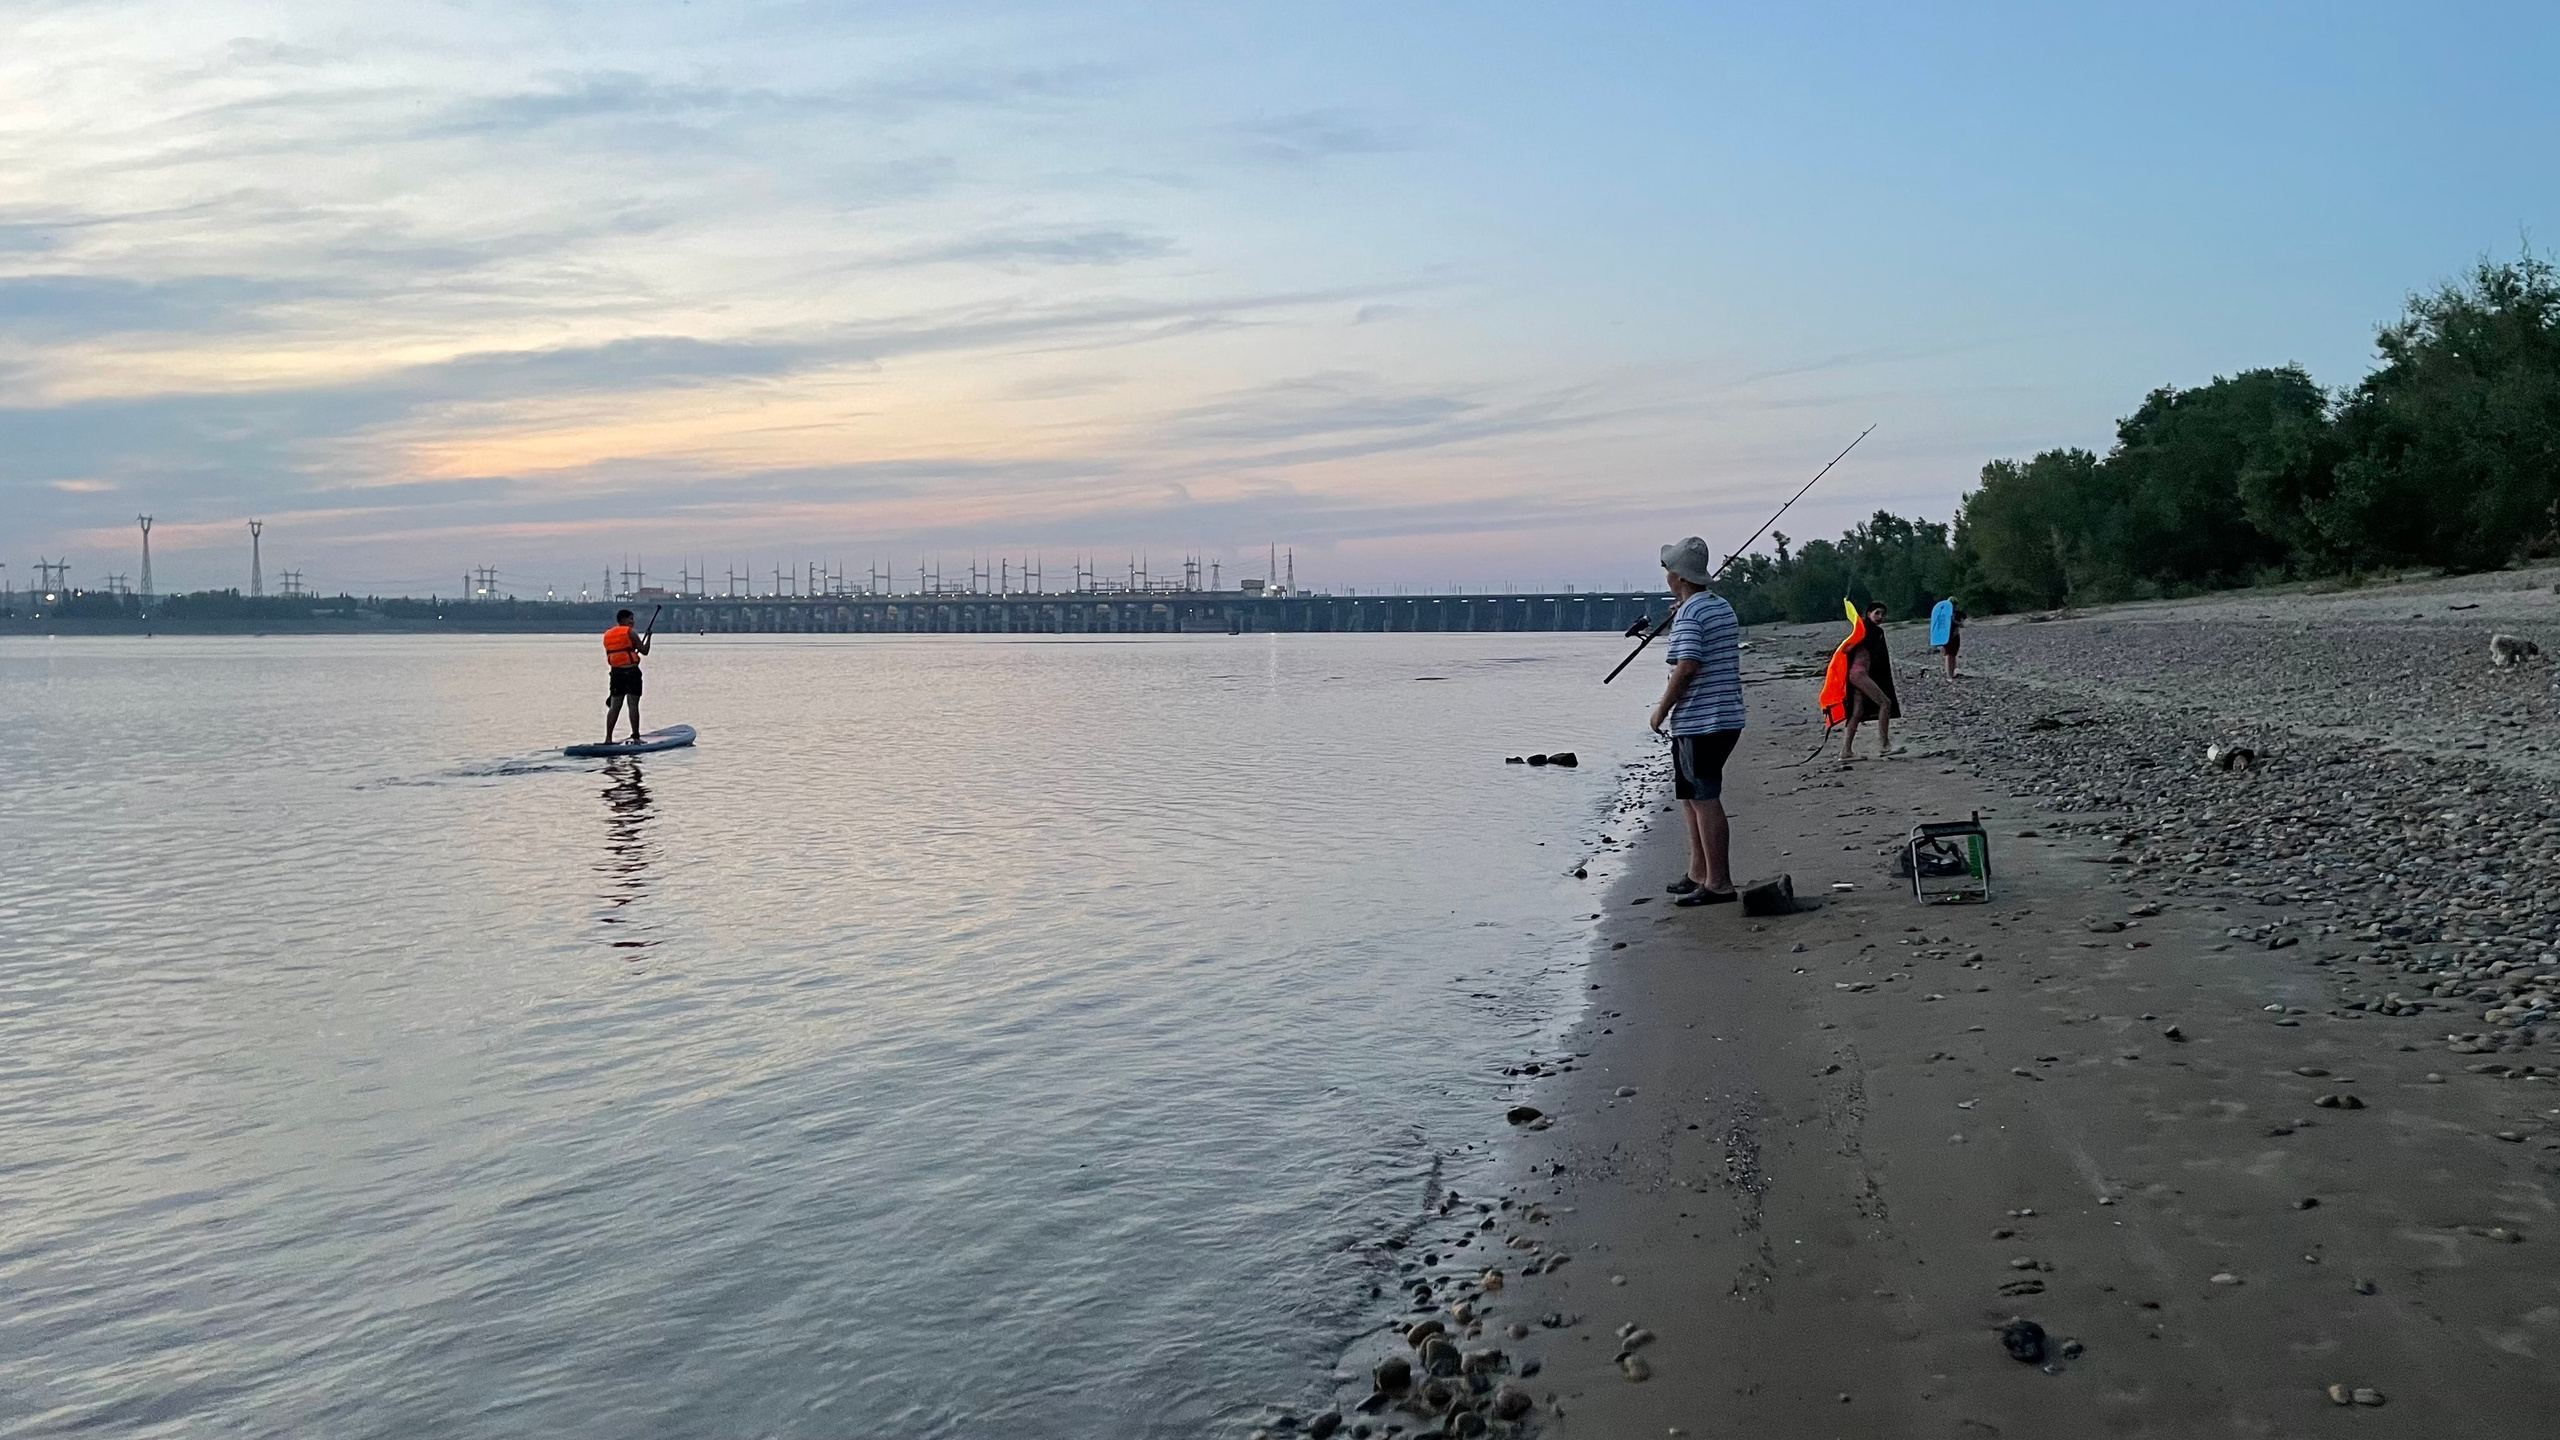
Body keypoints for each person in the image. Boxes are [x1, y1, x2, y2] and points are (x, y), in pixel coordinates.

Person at [1647, 536, 1745, 906]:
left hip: (1704, 720)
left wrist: (1661, 709)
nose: (1666, 576)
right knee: (1690, 797)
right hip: (1720, 717)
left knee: (1705, 799)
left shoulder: (1692, 613)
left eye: (1668, 570)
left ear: (1679, 577)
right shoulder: (1718, 607)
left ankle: (1719, 883)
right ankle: (1698, 873)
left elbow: (1687, 666)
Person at [1841, 601, 1901, 762]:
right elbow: (1845, 649)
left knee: (1857, 712)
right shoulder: (1866, 631)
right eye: (1877, 613)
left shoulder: (1868, 631)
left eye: (1882, 614)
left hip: (1858, 674)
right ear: (1868, 614)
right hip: (1859, 674)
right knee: (1885, 703)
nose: (1880, 617)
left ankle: (1846, 751)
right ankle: (1884, 745)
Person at [602, 608, 651, 744]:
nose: (632, 622)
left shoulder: (607, 635)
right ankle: (635, 736)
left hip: (616, 674)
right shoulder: (630, 633)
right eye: (630, 619)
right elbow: (644, 651)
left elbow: (618, 651)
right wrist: (649, 636)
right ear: (623, 620)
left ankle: (608, 739)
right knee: (633, 705)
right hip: (631, 673)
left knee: (614, 706)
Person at [1941, 603, 1964, 679]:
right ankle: (1949, 674)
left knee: (1951, 655)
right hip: (1950, 636)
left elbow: (1960, 624)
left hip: (1950, 636)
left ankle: (1951, 672)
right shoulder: (1946, 614)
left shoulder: (1953, 614)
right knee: (1949, 655)